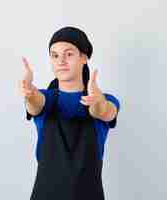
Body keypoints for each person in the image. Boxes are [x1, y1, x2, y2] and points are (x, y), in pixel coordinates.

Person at [19, 26, 120, 200]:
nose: (61, 61)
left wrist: (98, 103)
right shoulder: (47, 99)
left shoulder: (105, 100)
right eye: (55, 55)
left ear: (84, 58)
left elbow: (105, 112)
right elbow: (35, 104)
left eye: (69, 54)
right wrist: (30, 92)